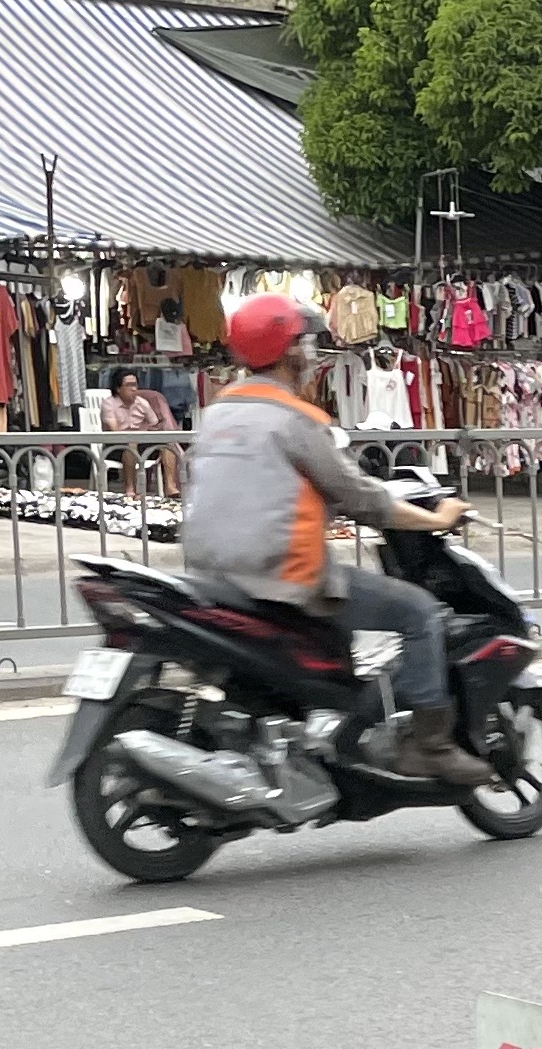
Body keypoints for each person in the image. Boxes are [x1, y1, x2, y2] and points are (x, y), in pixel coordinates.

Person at [184, 292, 491, 786]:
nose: (311, 354)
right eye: (305, 344)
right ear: (289, 352)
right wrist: (436, 519)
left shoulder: (217, 413)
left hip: (213, 579)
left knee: (341, 650)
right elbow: (360, 498)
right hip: (283, 578)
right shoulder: (295, 419)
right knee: (417, 612)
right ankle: (430, 746)